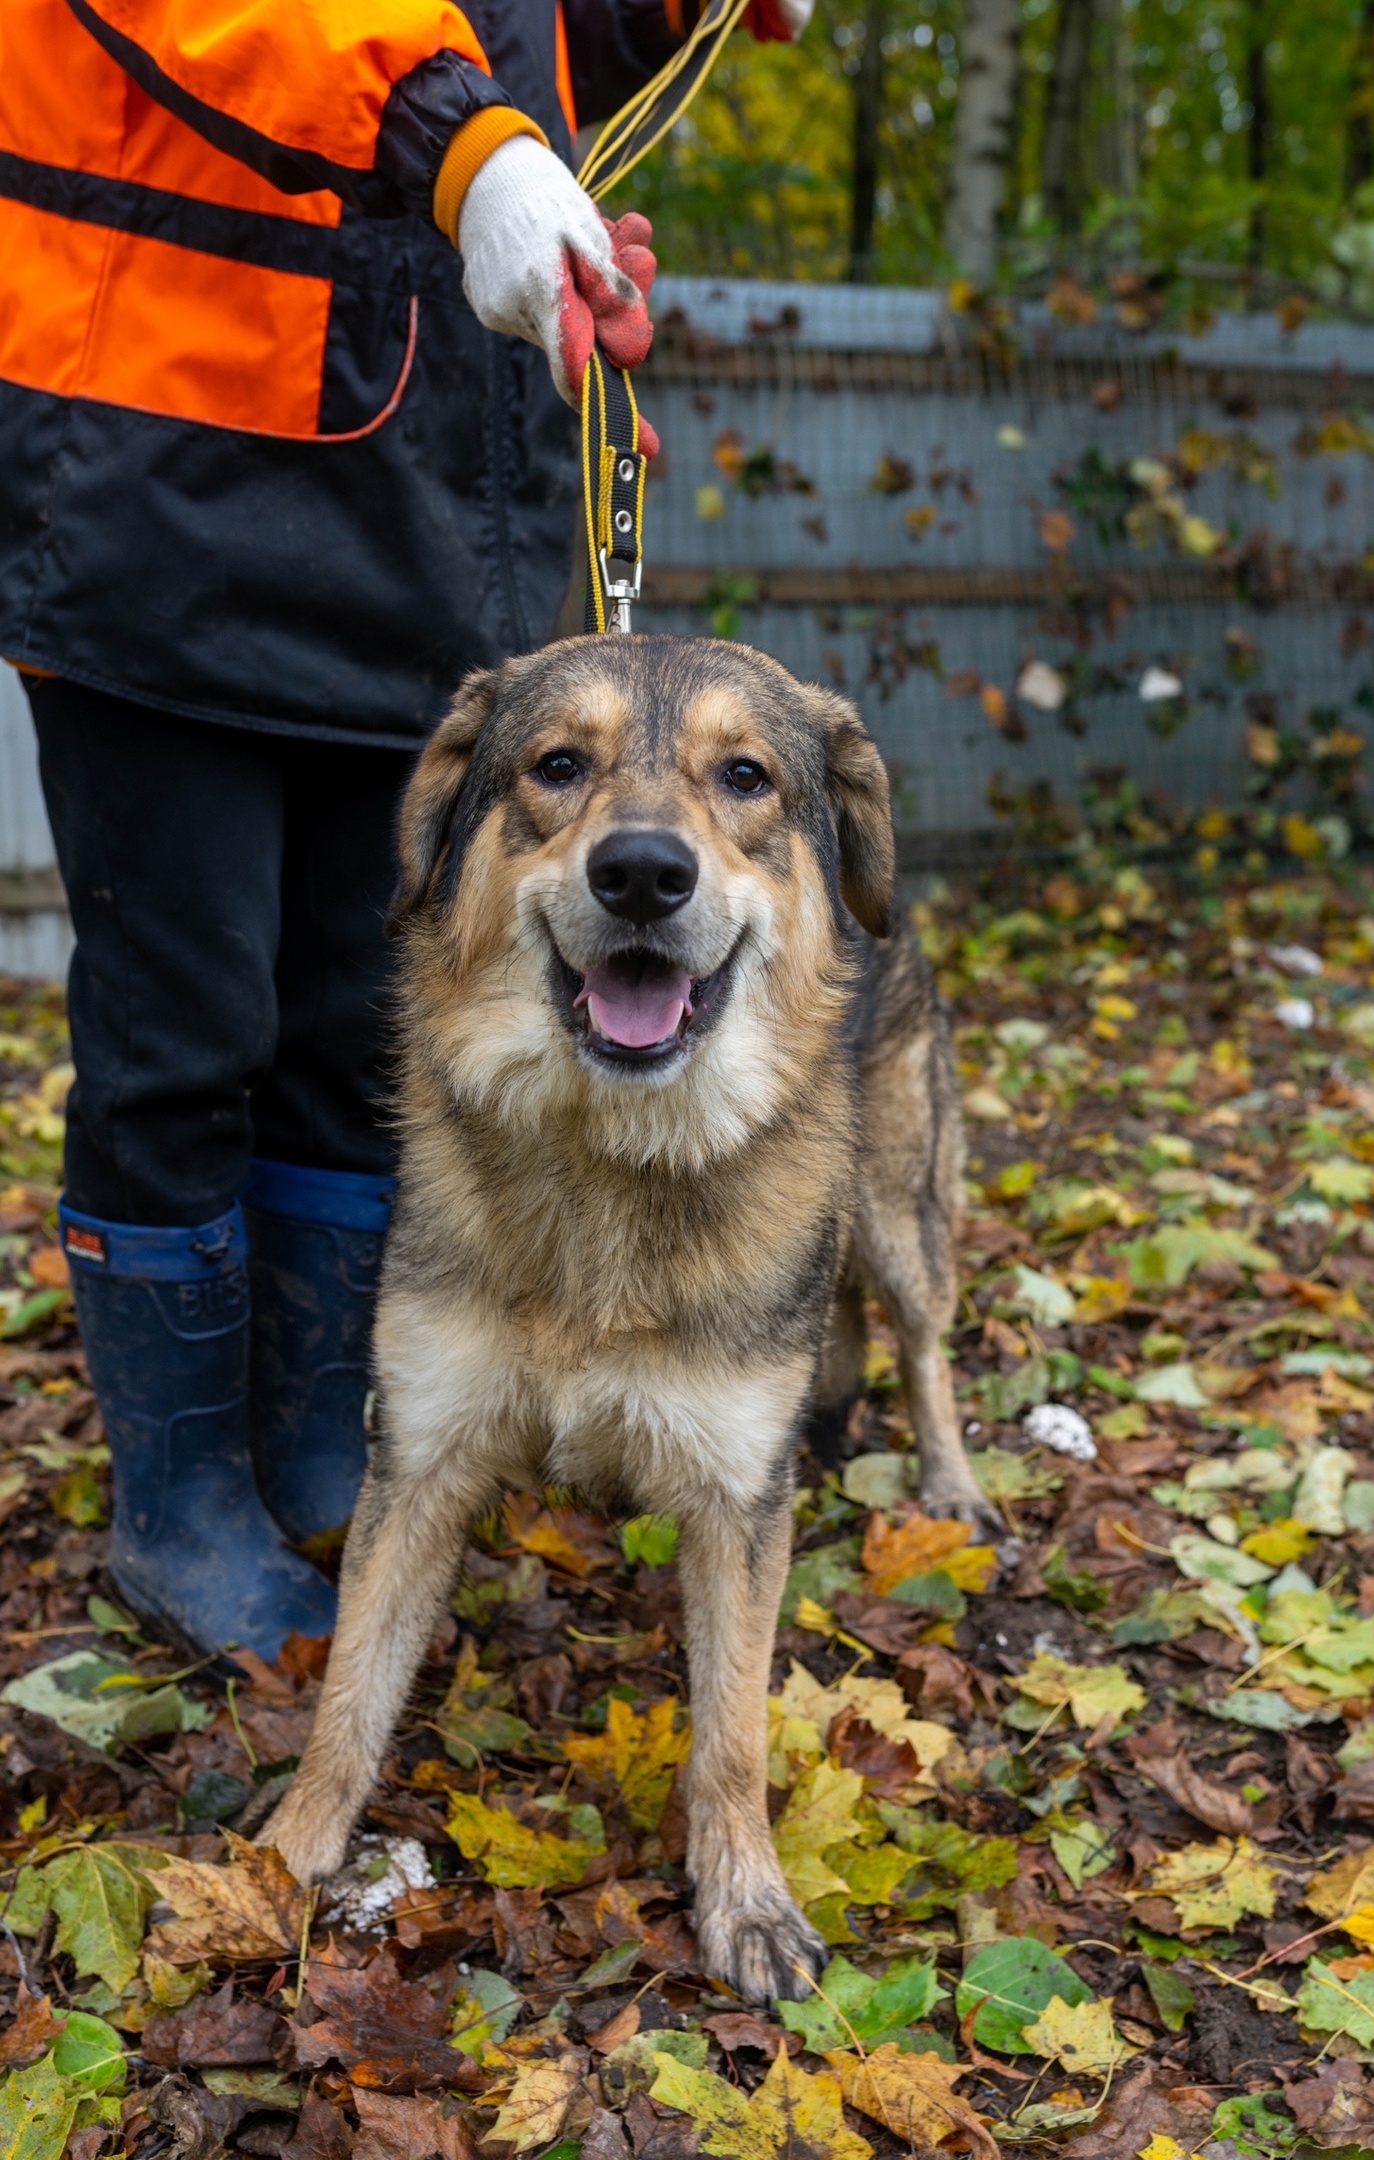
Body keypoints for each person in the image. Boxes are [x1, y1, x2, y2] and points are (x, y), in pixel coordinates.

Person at [0, 0, 810, 1659]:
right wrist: (466, 138)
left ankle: (320, 1452)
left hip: (417, 490)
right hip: (164, 453)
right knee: (185, 1022)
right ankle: (178, 1510)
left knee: (340, 1020)